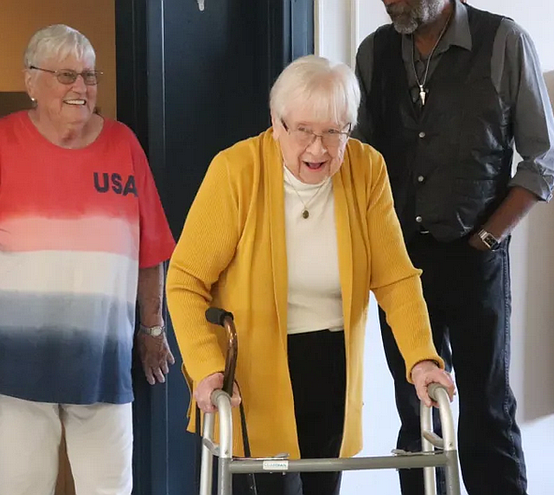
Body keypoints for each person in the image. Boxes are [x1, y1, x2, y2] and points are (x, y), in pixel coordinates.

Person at [166, 55, 456, 495]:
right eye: (303, 131)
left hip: (331, 365)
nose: (318, 149)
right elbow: (185, 281)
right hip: (251, 372)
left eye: (333, 133)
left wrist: (421, 358)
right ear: (275, 122)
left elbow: (396, 277)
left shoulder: (366, 169)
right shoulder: (236, 171)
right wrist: (207, 368)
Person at [0, 24, 176, 495]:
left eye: (88, 75)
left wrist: (152, 328)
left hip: (104, 362)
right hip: (14, 364)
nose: (80, 88)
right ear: (31, 81)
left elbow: (150, 253)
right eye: (65, 75)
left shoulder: (124, 145)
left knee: (111, 490)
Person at [353, 1, 554, 494]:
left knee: (487, 409)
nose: (390, 2)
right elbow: (359, 157)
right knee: (415, 407)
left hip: (476, 257)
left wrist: (490, 236)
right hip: (399, 266)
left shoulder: (504, 42)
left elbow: (543, 158)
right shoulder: (373, 53)